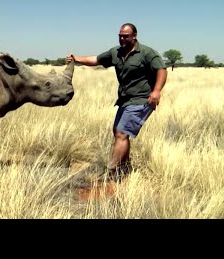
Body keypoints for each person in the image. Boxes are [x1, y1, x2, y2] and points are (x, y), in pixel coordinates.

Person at [66, 23, 167, 182]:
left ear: (134, 36)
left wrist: (156, 91)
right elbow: (97, 59)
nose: (122, 38)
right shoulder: (116, 52)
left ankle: (111, 174)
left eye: (126, 36)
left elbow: (161, 70)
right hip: (125, 99)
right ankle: (124, 167)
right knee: (119, 132)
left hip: (142, 99)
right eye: (120, 35)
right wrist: (77, 59)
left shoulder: (147, 53)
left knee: (121, 133)